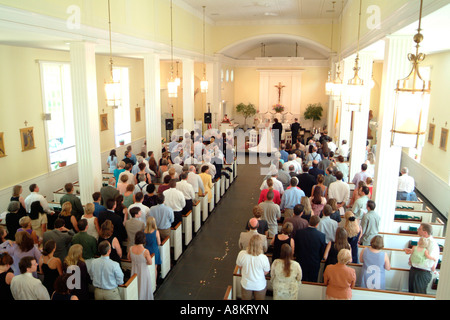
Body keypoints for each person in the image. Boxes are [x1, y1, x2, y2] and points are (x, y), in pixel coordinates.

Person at [404, 223, 440, 294]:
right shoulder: (423, 240)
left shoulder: (432, 243)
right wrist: (412, 251)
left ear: (425, 232)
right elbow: (421, 253)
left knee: (418, 294)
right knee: (412, 294)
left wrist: (415, 262)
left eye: (419, 229)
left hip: (422, 272)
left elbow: (430, 261)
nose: (417, 229)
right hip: (415, 270)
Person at [236, 235, 270, 300]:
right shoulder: (263, 258)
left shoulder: (242, 254)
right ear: (260, 246)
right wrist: (258, 274)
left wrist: (247, 271)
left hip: (246, 284)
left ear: (249, 243)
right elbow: (266, 271)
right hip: (259, 285)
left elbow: (239, 266)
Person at [294, 215, 326, 282]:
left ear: (309, 222)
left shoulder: (299, 233)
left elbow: (296, 247)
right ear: (317, 224)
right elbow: (322, 251)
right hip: (314, 262)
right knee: (312, 281)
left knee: (300, 280)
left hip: (301, 260)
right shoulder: (321, 236)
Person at [127, 231, 154, 300]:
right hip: (143, 272)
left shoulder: (131, 248)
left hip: (134, 271)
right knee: (144, 287)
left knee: (136, 287)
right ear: (143, 239)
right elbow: (150, 262)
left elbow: (129, 258)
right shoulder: (145, 251)